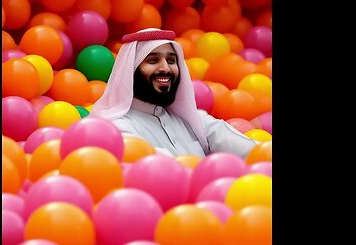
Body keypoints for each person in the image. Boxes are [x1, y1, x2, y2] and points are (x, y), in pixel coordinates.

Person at [89, 28, 258, 158]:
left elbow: (254, 152)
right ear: (131, 71)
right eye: (153, 60)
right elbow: (160, 168)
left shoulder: (193, 120)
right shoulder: (117, 127)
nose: (165, 68)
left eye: (171, 60)